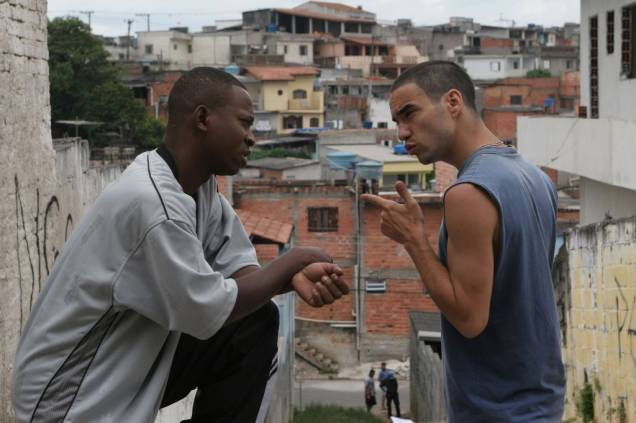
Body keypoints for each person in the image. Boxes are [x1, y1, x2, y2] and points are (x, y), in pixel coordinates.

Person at [12, 67, 349, 423]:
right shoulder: (152, 203)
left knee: (256, 322)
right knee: (246, 314)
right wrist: (291, 263)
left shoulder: (200, 189)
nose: (252, 138)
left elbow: (237, 264)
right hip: (64, 395)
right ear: (203, 118)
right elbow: (206, 310)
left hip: (124, 368)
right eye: (245, 123)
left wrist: (287, 279)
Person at [361, 61, 565, 422]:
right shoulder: (535, 177)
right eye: (396, 122)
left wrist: (414, 239)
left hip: (498, 410)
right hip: (542, 401)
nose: (402, 132)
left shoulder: (467, 193)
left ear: (453, 102)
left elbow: (470, 318)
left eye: (410, 114)